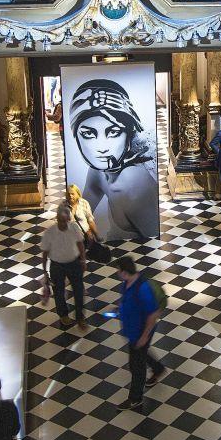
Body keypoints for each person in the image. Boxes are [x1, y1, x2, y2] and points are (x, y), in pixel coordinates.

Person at [71, 79, 159, 240]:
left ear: (129, 132)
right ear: (76, 135)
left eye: (113, 132)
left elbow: (154, 242)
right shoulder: (97, 170)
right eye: (89, 134)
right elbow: (80, 217)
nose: (102, 147)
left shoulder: (132, 182)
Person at [115, 255, 165, 411]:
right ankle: (158, 369)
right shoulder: (127, 284)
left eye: (118, 270)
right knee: (140, 355)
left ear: (124, 272)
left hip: (140, 332)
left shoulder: (142, 288)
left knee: (136, 366)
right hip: (132, 330)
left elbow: (153, 313)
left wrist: (144, 336)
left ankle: (135, 399)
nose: (117, 272)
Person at [40, 204, 87, 330]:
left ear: (68, 220)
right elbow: (44, 253)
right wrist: (45, 272)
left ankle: (80, 317)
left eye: (65, 221)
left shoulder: (74, 228)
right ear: (57, 219)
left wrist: (83, 260)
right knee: (59, 292)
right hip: (57, 266)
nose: (62, 224)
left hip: (74, 263)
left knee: (78, 290)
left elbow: (80, 244)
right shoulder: (50, 232)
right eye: (60, 221)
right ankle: (63, 315)